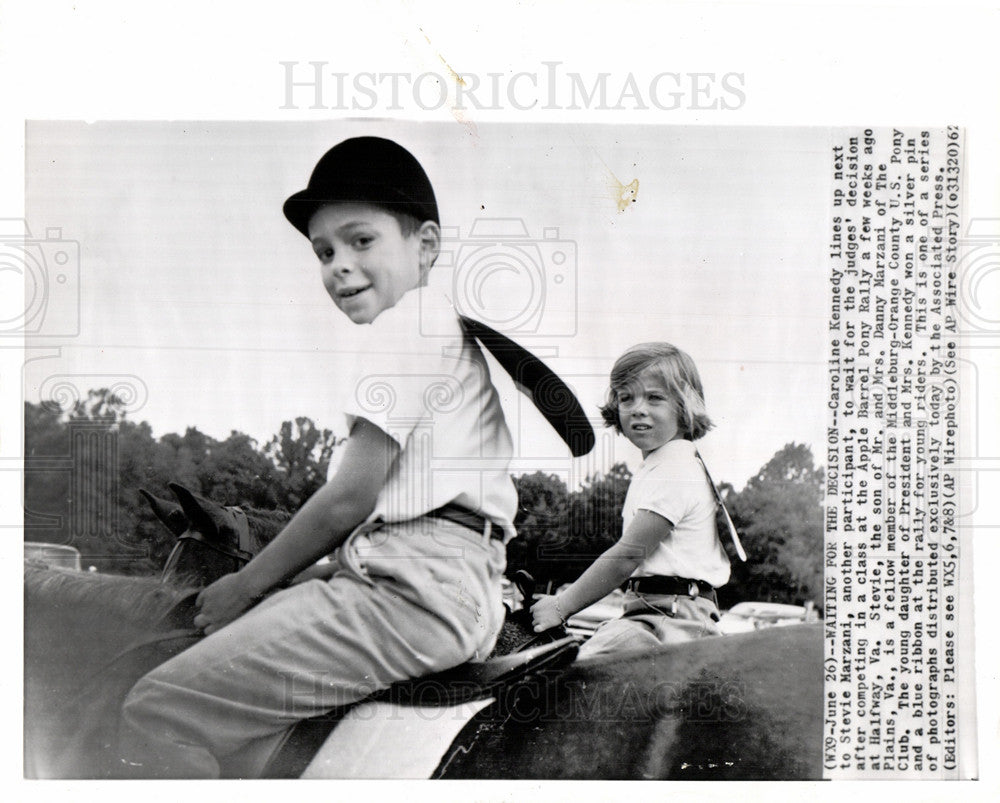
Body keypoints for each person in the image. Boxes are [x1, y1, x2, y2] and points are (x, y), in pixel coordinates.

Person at [119, 136, 518, 777]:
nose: (339, 265)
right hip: (453, 587)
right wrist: (296, 581)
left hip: (410, 594)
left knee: (157, 707)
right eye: (324, 252)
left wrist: (246, 584)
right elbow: (382, 522)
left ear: (426, 246)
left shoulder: (406, 325)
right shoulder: (443, 331)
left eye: (361, 242)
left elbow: (348, 500)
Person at [531, 342, 731, 659]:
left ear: (684, 407)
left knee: (574, 675)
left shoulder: (675, 467)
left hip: (672, 618)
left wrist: (561, 605)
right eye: (627, 397)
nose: (638, 408)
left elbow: (628, 556)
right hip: (654, 611)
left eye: (654, 398)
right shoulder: (661, 463)